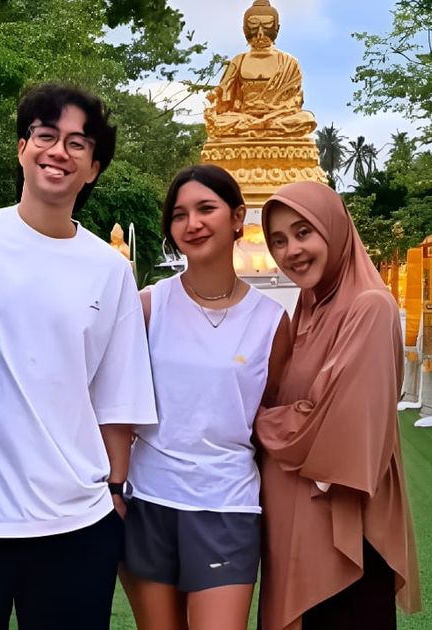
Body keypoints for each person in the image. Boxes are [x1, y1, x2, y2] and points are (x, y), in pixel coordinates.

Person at [0, 83, 157, 629]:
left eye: (77, 144)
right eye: (45, 136)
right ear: (22, 148)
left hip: (75, 523)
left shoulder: (110, 270)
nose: (58, 152)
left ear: (93, 168)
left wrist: (115, 491)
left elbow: (116, 400)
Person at [121, 164, 290, 630]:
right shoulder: (149, 305)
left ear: (237, 218)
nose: (192, 223)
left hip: (227, 504)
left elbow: (269, 415)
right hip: (149, 500)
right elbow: (118, 401)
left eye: (205, 209)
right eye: (179, 215)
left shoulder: (271, 321)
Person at [257, 181, 421, 630]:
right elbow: (298, 403)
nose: (291, 251)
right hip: (295, 525)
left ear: (334, 229)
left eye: (303, 232)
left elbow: (337, 431)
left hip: (344, 531)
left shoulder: (369, 307)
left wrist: (257, 422)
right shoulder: (308, 308)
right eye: (278, 240)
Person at [204, 0, 317, 139]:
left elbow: (295, 100)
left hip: (277, 116)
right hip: (244, 116)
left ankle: (257, 128)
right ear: (244, 29)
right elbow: (223, 93)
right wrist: (215, 95)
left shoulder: (289, 62)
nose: (260, 34)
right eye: (253, 27)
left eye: (267, 26)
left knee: (306, 119)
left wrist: (272, 111)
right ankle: (260, 127)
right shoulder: (239, 60)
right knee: (220, 121)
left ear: (277, 28)